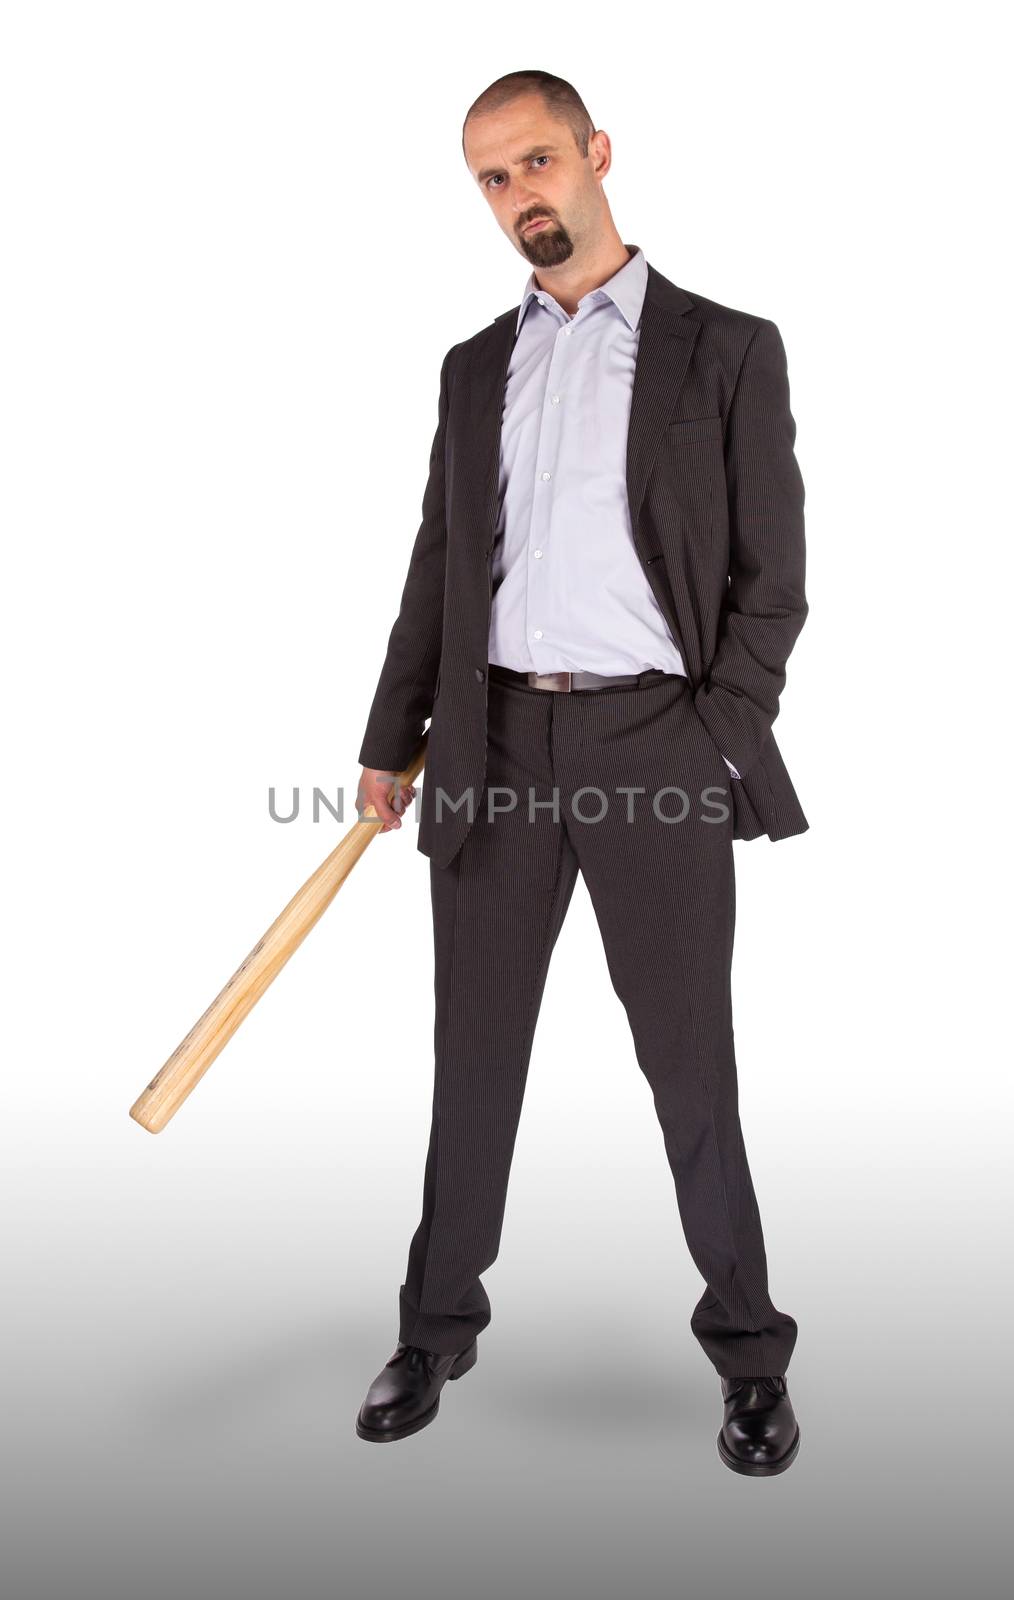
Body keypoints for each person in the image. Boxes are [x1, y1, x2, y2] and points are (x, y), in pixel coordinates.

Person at [353, 69, 807, 1476]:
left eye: (536, 162)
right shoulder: (472, 367)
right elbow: (442, 566)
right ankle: (435, 1326)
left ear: (595, 153)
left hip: (646, 745)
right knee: (471, 1057)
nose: (519, 197)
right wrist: (389, 736)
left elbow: (769, 578)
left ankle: (746, 1351)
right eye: (492, 179)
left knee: (688, 1063)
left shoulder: (722, 349)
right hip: (491, 745)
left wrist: (713, 724)